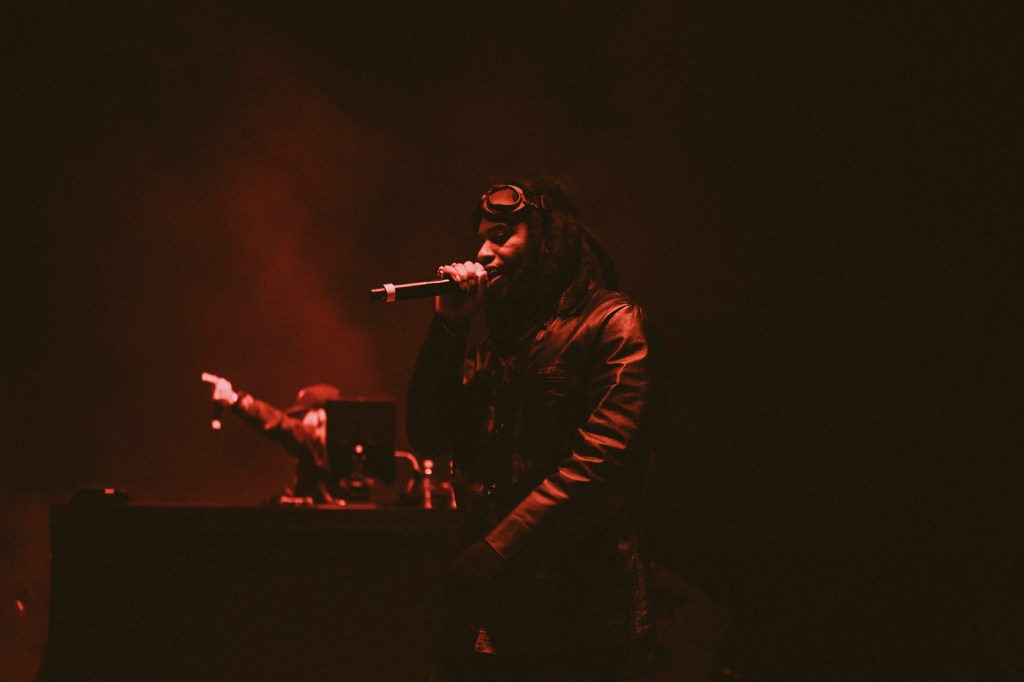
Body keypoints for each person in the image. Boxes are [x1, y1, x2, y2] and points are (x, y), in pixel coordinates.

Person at [407, 176, 660, 681]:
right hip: (493, 598)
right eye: (481, 237)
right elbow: (431, 434)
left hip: (578, 603)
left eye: (501, 236)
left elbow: (606, 460)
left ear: (548, 239)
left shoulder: (613, 323)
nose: (482, 252)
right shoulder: (501, 342)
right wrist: (449, 327)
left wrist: (500, 548)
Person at [202, 374, 345, 505]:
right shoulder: (311, 467)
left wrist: (236, 400)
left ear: (321, 417)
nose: (297, 423)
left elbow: (284, 426)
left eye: (301, 417)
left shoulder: (331, 457)